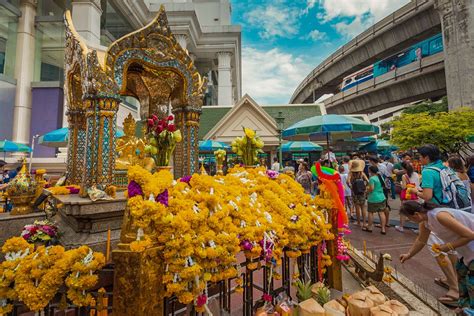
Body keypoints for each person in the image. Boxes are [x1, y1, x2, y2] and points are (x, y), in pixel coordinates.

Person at [399, 201, 474, 310]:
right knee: (461, 275)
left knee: (471, 281)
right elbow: (421, 240)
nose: (410, 221)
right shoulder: (425, 222)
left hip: (471, 248)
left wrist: (447, 247)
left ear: (416, 215)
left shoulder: (439, 216)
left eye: (409, 218)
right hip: (465, 252)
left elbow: (470, 235)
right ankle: (464, 307)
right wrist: (409, 254)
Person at [415, 144, 460, 303]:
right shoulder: (445, 168)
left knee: (437, 250)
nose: (419, 159)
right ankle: (453, 280)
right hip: (452, 211)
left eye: (420, 156)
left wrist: (415, 191)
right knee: (452, 248)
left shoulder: (427, 171)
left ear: (426, 157)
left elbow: (427, 195)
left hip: (437, 213)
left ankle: (455, 290)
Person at [395, 161, 421, 233]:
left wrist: (400, 183)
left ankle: (401, 227)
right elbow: (418, 184)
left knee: (403, 211)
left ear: (404, 169)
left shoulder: (404, 176)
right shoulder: (416, 174)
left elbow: (403, 187)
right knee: (416, 211)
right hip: (415, 194)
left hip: (407, 195)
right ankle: (419, 229)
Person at [365, 165, 388, 234]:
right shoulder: (380, 177)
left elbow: (371, 188)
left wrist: (366, 191)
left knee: (370, 212)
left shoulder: (372, 178)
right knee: (381, 213)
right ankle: (383, 229)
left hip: (373, 198)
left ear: (370, 171)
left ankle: (370, 227)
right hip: (381, 197)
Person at [347, 160, 368, 227]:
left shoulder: (351, 173)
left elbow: (348, 181)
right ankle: (364, 222)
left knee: (357, 207)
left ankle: (358, 222)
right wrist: (365, 188)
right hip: (362, 192)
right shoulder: (361, 173)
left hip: (355, 192)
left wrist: (351, 187)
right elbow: (368, 181)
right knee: (363, 207)